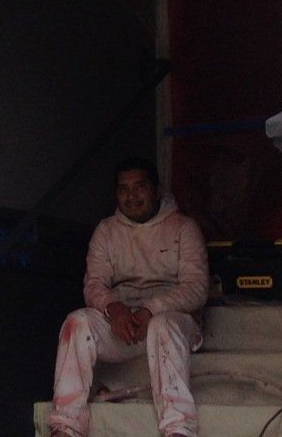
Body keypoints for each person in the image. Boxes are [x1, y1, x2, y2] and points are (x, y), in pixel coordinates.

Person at [49, 157, 208, 437]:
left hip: (174, 325)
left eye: (140, 187)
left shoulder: (184, 228)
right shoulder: (106, 231)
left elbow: (196, 288)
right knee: (76, 322)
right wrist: (114, 308)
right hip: (125, 325)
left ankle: (178, 428)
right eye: (123, 188)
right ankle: (66, 426)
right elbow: (94, 283)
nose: (131, 196)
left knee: (162, 325)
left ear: (156, 190)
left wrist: (149, 310)